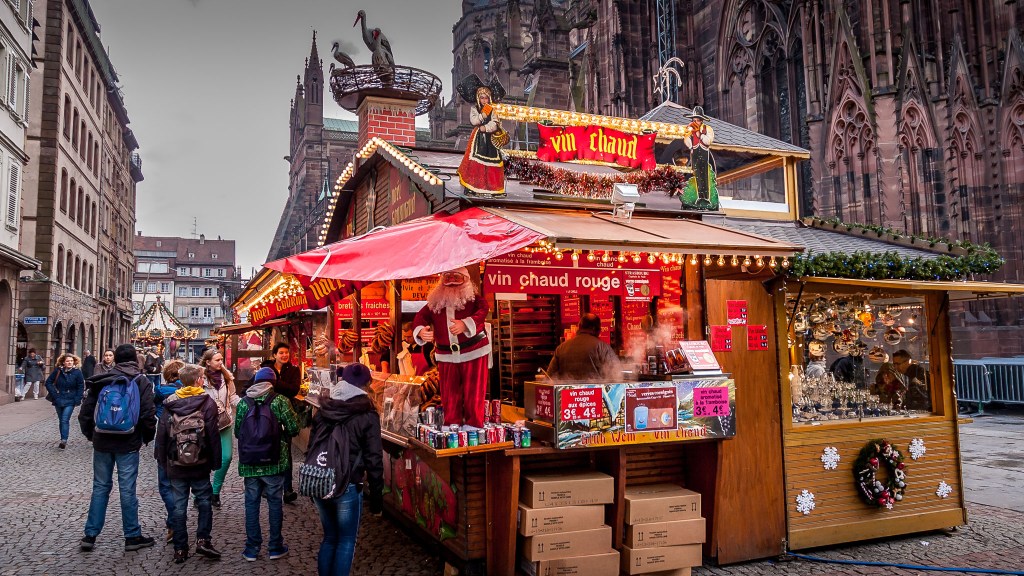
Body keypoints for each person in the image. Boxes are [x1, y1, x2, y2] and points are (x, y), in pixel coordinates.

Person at [79, 344, 157, 553]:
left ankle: (90, 535)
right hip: (128, 441)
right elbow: (149, 414)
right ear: (135, 359)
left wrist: (91, 434)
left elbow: (85, 411)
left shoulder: (102, 380)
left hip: (102, 440)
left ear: (116, 360)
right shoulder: (141, 381)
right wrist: (146, 438)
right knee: (127, 489)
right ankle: (132, 535)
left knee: (100, 487)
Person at [309, 363, 384, 576]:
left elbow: (312, 446)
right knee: (346, 541)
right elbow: (374, 459)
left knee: (330, 537)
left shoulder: (325, 408)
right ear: (366, 385)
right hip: (348, 484)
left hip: (320, 479)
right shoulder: (367, 414)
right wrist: (377, 499)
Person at [154, 364, 223, 564]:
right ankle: (203, 540)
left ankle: (180, 549)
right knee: (204, 501)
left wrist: (162, 461)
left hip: (176, 463)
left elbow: (163, 434)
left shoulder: (171, 402)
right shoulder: (207, 402)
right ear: (198, 380)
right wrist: (215, 461)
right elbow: (212, 434)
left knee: (178, 506)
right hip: (200, 462)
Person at [235, 367, 299, 562]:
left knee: (251, 503)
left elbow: (238, 431)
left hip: (250, 463)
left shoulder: (243, 403)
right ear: (273, 382)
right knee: (274, 502)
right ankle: (275, 546)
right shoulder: (280, 401)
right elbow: (294, 428)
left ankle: (252, 549)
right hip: (274, 461)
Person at [413, 267, 491, 428]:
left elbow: (482, 311)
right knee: (449, 392)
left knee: (474, 391)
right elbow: (420, 317)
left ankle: (474, 425)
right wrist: (420, 331)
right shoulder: (435, 303)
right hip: (446, 354)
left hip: (474, 350)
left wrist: (466, 323)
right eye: (447, 278)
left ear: (466, 280)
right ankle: (452, 424)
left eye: (457, 278)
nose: (452, 283)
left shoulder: (476, 300)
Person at [259, 342, 301, 502]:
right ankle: (265, 485)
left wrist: (274, 381)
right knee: (266, 449)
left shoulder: (293, 370)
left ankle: (287, 489)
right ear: (274, 355)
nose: (284, 355)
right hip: (266, 414)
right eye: (281, 353)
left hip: (285, 414)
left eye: (286, 353)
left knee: (286, 452)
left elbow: (293, 390)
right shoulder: (265, 368)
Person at [200, 349, 240, 507]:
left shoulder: (227, 377)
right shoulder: (200, 378)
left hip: (224, 422)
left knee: (227, 457)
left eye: (221, 359)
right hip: (205, 424)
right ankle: (201, 493)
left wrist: (246, 404)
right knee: (204, 459)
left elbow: (233, 398)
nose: (220, 362)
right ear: (208, 362)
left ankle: (215, 492)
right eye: (217, 360)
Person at [456, 75, 506, 196]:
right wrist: (482, 115)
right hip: (478, 138)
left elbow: (495, 123)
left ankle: (494, 189)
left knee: (494, 162)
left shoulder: (493, 110)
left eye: (486, 98)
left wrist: (487, 127)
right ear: (479, 98)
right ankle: (473, 187)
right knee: (475, 161)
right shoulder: (475, 108)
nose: (484, 100)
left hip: (490, 139)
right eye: (482, 98)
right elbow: (474, 121)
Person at [154, 360, 185, 543]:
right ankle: (176, 521)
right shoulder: (188, 392)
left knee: (165, 484)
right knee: (180, 484)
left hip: (164, 441)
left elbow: (156, 409)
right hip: (186, 442)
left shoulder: (160, 391)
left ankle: (174, 521)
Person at [546, 314, 620, 382]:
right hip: (594, 393)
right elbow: (616, 374)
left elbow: (550, 377)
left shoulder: (561, 348)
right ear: (596, 329)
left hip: (568, 394)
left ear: (579, 326)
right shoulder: (603, 347)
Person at [44, 353, 85, 449]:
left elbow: (80, 386)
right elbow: (48, 382)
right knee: (61, 420)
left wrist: (77, 399)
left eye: (71, 361)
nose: (70, 362)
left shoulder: (77, 373)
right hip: (59, 398)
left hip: (71, 399)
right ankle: (63, 437)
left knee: (65, 419)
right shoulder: (58, 371)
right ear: (63, 362)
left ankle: (64, 440)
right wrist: (54, 394)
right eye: (67, 361)